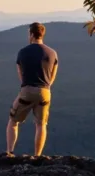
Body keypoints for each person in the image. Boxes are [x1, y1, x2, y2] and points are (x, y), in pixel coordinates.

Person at [5, 22, 58, 156]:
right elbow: (52, 76)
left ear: (31, 34)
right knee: (41, 124)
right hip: (45, 91)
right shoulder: (52, 53)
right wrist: (45, 86)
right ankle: (37, 155)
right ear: (42, 34)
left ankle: (10, 152)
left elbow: (20, 74)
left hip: (27, 90)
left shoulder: (23, 52)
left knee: (13, 120)